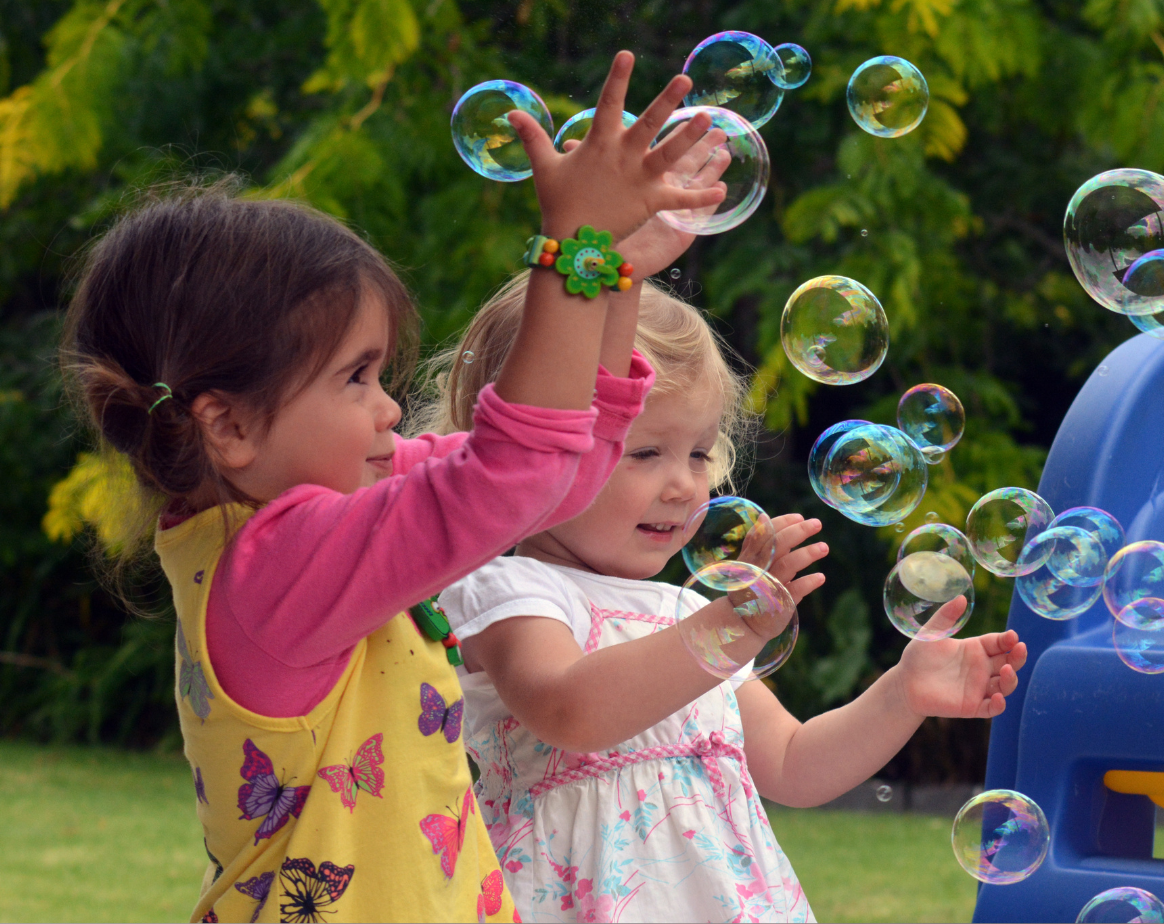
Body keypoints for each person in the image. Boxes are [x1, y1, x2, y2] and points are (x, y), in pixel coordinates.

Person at [60, 52, 722, 923]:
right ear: (230, 426)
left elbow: (558, 484)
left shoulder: (321, 526)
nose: (385, 410)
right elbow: (512, 474)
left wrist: (613, 280)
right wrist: (573, 252)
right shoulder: (275, 563)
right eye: (356, 378)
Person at [427, 276, 1030, 923]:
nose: (684, 484)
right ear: (528, 449)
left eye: (699, 453)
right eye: (647, 452)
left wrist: (900, 693)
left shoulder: (686, 612)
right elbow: (571, 710)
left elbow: (794, 764)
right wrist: (726, 627)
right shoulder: (506, 591)